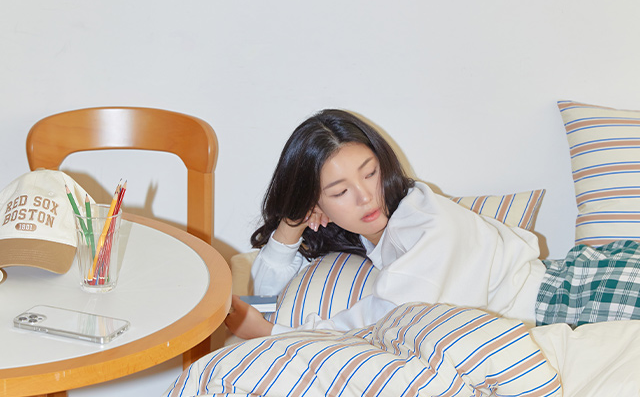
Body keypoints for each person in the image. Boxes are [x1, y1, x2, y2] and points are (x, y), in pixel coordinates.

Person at [225, 109, 640, 340]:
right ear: (318, 203)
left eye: (370, 173)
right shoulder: (367, 235)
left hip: (578, 298)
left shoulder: (424, 219)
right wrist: (292, 225)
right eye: (340, 191)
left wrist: (275, 334)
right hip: (571, 296)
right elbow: (268, 294)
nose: (366, 196)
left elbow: (388, 320)